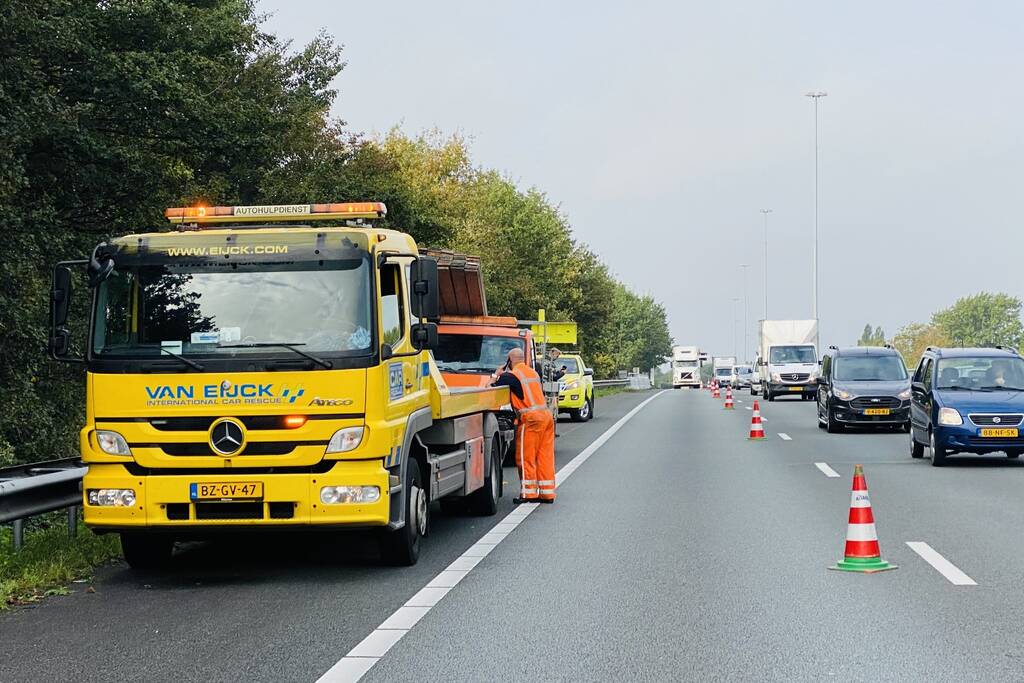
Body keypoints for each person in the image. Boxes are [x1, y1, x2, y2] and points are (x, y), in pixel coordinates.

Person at [492, 348, 556, 504]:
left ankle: (528, 494)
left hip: (531, 419)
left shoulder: (512, 376)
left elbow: (491, 387)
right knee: (544, 456)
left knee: (525, 457)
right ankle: (547, 494)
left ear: (510, 360)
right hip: (546, 417)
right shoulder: (533, 373)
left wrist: (496, 374)